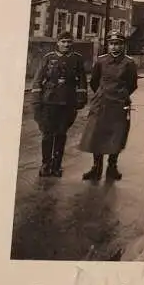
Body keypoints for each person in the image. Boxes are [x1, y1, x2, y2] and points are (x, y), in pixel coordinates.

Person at [79, 31, 138, 181]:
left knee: (116, 136)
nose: (114, 47)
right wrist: (102, 94)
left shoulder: (129, 63)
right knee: (96, 135)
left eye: (117, 44)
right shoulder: (100, 61)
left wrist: (121, 95)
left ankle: (112, 167)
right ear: (108, 45)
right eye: (111, 44)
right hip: (101, 103)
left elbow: (132, 85)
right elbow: (94, 82)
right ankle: (96, 168)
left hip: (119, 105)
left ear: (123, 45)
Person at [31, 32, 88, 177]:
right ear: (58, 42)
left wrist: (81, 98)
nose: (66, 44)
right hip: (49, 101)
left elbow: (82, 80)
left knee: (61, 134)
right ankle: (45, 164)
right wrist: (37, 99)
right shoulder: (48, 58)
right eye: (63, 41)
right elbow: (38, 80)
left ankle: (57, 165)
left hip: (68, 102)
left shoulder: (77, 59)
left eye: (69, 42)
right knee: (47, 134)